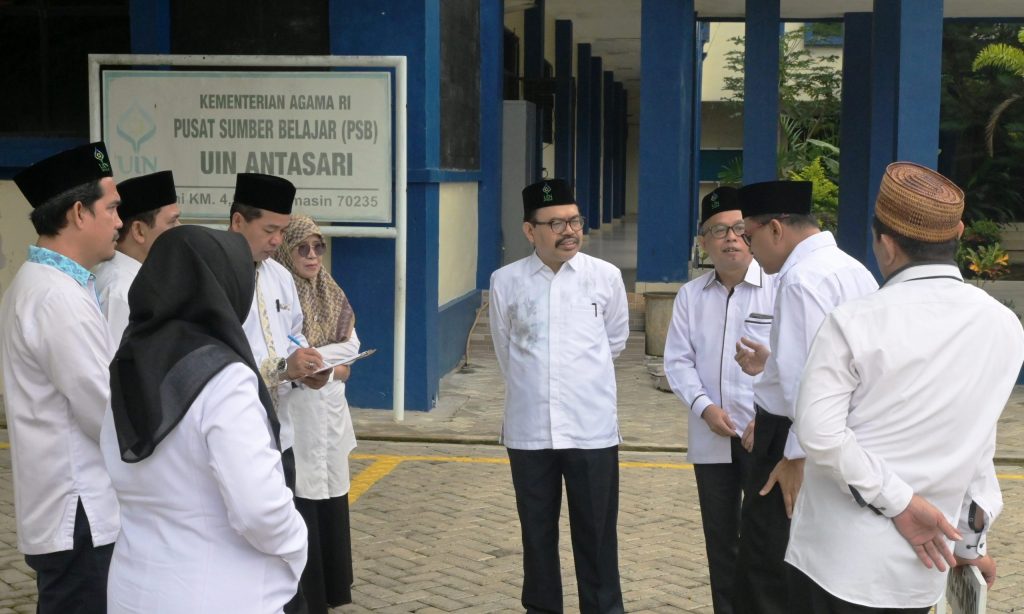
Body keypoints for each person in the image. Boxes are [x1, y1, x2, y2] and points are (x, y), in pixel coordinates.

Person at [786, 162, 1024, 612]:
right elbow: (978, 448)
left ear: (886, 243)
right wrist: (970, 547)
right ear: (957, 234)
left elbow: (819, 433)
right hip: (925, 566)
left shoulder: (852, 322)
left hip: (836, 564)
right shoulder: (1005, 326)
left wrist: (900, 502)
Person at [101, 225, 308, 613]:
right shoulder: (225, 379)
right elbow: (260, 510)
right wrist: (297, 541)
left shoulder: (128, 364)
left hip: (134, 587)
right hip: (219, 590)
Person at [731, 180, 878, 614]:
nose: (748, 246)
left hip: (796, 441)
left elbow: (806, 381)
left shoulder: (799, 280)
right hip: (847, 432)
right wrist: (772, 368)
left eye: (749, 234)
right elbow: (836, 365)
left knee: (766, 565)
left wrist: (795, 455)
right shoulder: (854, 269)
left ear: (775, 229)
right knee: (819, 562)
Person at [489, 178, 630, 614]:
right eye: (556, 223)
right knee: (536, 536)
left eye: (574, 221)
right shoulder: (506, 282)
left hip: (592, 432)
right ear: (530, 231)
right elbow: (506, 350)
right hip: (530, 433)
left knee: (598, 538)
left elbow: (616, 341)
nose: (569, 231)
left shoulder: (604, 277)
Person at [1, 142, 123, 613]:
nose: (118, 221)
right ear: (78, 212)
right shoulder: (57, 299)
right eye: (111, 208)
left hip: (71, 508)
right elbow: (106, 413)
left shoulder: (50, 285)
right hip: (80, 511)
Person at [663, 187, 777, 614]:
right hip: (712, 436)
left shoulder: (778, 288)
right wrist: (704, 408)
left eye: (737, 229)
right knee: (721, 542)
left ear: (751, 235)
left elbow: (795, 362)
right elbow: (677, 362)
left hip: (762, 436)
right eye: (718, 231)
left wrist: (768, 418)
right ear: (703, 243)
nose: (730, 239)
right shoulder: (691, 296)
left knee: (765, 540)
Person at [273, 215, 360, 613]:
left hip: (330, 409)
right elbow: (290, 352)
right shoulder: (282, 293)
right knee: (304, 499)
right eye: (301, 248)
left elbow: (352, 345)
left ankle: (334, 589)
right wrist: (332, 364)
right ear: (285, 252)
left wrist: (326, 363)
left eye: (318, 247)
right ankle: (310, 595)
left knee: (332, 498)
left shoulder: (330, 289)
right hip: (300, 411)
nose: (311, 256)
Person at [228, 172, 330, 457]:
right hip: (235, 437)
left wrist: (307, 368)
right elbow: (214, 358)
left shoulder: (281, 276)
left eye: (283, 232)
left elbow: (292, 334)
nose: (277, 241)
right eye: (269, 230)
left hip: (280, 437)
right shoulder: (212, 276)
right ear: (238, 222)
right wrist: (283, 368)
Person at [94, 170, 182, 343]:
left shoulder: (137, 281)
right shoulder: (121, 292)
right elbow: (116, 366)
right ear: (139, 231)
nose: (180, 229)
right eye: (172, 222)